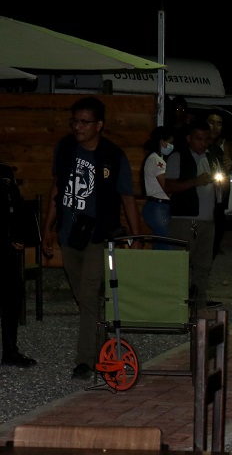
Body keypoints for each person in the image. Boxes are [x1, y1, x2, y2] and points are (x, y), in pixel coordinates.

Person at [41, 96, 141, 379]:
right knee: (84, 297)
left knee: (87, 293)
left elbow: (127, 197)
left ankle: (85, 359)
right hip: (69, 233)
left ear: (100, 125)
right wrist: (47, 227)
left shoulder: (112, 155)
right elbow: (57, 188)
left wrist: (136, 236)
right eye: (75, 121)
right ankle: (102, 343)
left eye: (85, 122)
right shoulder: (64, 148)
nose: (78, 127)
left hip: (99, 234)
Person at [164, 119, 222, 314]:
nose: (203, 143)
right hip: (184, 219)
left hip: (208, 220)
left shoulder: (212, 157)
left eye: (206, 139)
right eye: (199, 139)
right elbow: (169, 186)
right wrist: (195, 182)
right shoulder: (177, 157)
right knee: (180, 266)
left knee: (203, 266)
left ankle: (199, 306)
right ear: (189, 139)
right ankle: (177, 306)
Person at [0, 160, 37, 367]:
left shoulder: (4, 172)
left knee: (12, 295)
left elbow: (16, 204)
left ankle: (10, 351)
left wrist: (19, 234)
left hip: (5, 247)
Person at [140, 126, 175, 248]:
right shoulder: (156, 160)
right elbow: (166, 186)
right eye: (170, 142)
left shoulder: (155, 158)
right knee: (166, 245)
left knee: (160, 244)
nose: (171, 146)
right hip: (158, 207)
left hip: (157, 207)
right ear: (162, 142)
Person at [206, 112, 232, 257]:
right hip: (203, 190)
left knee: (218, 219)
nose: (215, 127)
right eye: (212, 122)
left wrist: (230, 164)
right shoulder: (199, 142)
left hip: (219, 189)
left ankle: (213, 248)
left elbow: (230, 165)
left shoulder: (221, 146)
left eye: (219, 124)